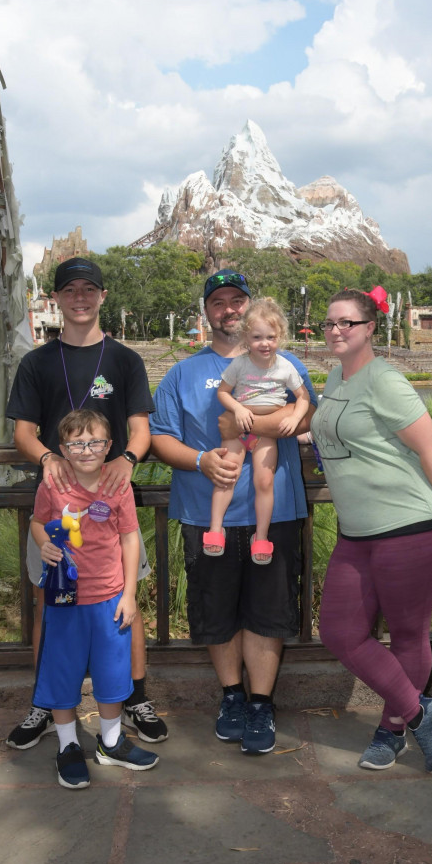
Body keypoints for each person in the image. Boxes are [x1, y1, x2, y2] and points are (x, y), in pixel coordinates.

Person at [310, 286, 432, 774]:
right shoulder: (336, 376)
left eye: (347, 323)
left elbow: (431, 451)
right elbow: (334, 430)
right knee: (340, 632)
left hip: (410, 527)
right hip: (356, 533)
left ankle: (393, 729)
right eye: (330, 323)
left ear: (369, 329)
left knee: (408, 634)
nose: (336, 331)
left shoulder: (386, 382)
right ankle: (422, 710)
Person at [150, 269, 316, 755]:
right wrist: (201, 460)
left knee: (269, 611)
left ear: (252, 309)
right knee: (217, 610)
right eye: (218, 301)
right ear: (207, 312)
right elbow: (160, 437)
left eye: (236, 300)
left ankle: (261, 702)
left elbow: (308, 414)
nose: (229, 309)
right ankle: (231, 697)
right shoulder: (182, 373)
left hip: (275, 509)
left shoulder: (287, 363)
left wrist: (271, 418)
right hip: (207, 514)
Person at [5, 256, 167, 750]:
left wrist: (130, 459)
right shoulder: (36, 362)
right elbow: (23, 432)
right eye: (70, 289)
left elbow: (139, 428)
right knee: (48, 603)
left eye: (88, 289)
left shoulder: (124, 360)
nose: (80, 297)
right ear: (57, 297)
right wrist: (48, 457)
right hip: (56, 507)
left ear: (101, 296)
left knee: (125, 602)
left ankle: (135, 695)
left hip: (111, 501)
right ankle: (44, 701)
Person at [32, 408, 159, 788]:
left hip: (109, 598)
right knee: (63, 673)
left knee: (111, 673)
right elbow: (39, 523)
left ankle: (111, 740)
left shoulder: (118, 485)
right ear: (63, 449)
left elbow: (129, 537)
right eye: (77, 443)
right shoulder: (52, 486)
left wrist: (130, 594)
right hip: (65, 598)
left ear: (108, 447)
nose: (86, 450)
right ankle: (68, 746)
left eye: (95, 442)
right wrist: (43, 545)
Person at [207, 297, 310, 564]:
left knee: (264, 482)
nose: (264, 343)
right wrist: (239, 410)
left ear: (280, 337)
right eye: (257, 337)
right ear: (245, 337)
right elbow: (223, 392)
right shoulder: (240, 364)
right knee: (227, 475)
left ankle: (261, 536)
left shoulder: (285, 366)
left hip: (267, 435)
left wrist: (296, 417)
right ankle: (216, 528)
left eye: (271, 337)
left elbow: (304, 397)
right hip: (238, 429)